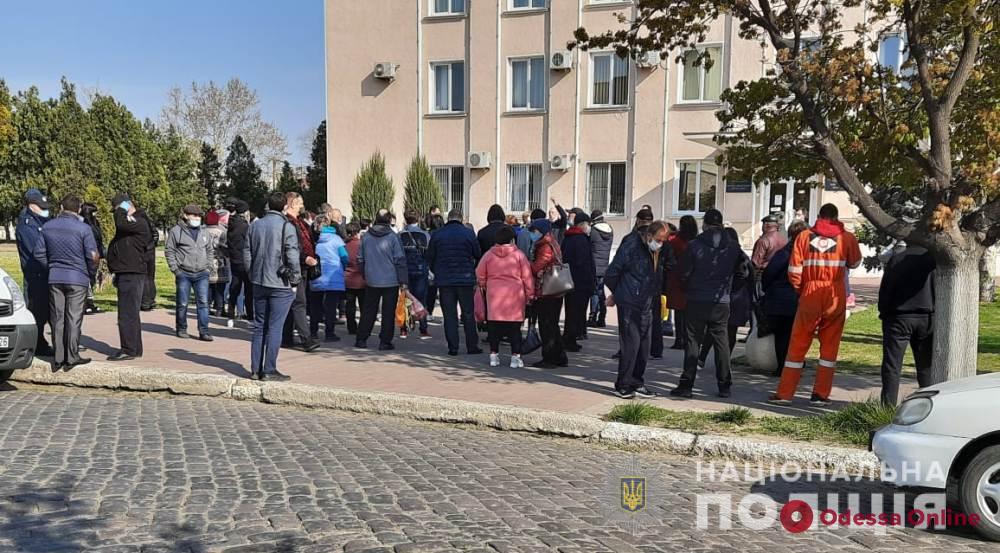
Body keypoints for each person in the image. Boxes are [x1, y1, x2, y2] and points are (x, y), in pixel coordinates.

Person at [769, 203, 862, 406]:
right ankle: (820, 394)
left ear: (819, 216)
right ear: (837, 217)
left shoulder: (803, 237)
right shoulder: (846, 238)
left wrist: (803, 291)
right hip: (834, 294)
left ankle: (785, 394)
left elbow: (794, 271)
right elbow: (854, 262)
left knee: (797, 344)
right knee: (829, 348)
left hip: (810, 293)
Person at [671, 209, 751, 399]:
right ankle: (724, 385)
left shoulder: (694, 245)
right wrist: (730, 288)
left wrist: (689, 287)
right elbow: (744, 272)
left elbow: (683, 272)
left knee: (693, 341)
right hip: (721, 300)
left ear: (704, 224)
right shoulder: (732, 247)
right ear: (721, 225)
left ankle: (687, 384)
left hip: (697, 299)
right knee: (721, 342)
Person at [605, 220, 672, 398]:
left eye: (664, 241)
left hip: (647, 302)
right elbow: (612, 273)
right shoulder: (632, 246)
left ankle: (636, 381)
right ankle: (623, 384)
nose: (661, 244)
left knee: (644, 345)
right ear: (649, 236)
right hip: (630, 302)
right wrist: (618, 295)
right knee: (630, 344)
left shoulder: (655, 251)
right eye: (659, 239)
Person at [33, 194, 98, 370]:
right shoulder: (83, 228)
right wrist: (90, 274)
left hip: (55, 277)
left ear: (61, 207)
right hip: (78, 277)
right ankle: (72, 356)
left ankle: (58, 356)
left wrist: (52, 267)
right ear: (78, 209)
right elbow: (93, 256)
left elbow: (38, 253)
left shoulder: (48, 227)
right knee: (74, 317)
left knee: (57, 318)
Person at [244, 191, 300, 381]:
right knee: (275, 327)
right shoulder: (287, 226)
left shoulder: (255, 225)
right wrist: (296, 278)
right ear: (285, 206)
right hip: (280, 282)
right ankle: (269, 369)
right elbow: (292, 255)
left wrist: (251, 272)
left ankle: (255, 368)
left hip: (259, 280)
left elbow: (247, 251)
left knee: (259, 326)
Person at [878, 242, 935, 406]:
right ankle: (927, 405)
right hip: (927, 316)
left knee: (892, 365)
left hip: (898, 317)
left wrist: (884, 312)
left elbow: (886, 289)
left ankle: (887, 407)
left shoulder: (897, 259)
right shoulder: (932, 259)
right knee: (925, 367)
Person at [476, 225, 533, 369]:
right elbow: (527, 277)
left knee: (494, 328)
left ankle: (493, 356)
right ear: (512, 239)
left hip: (494, 295)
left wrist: (484, 284)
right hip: (514, 295)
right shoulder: (519, 255)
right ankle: (515, 358)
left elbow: (480, 272)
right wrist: (530, 294)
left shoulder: (489, 255)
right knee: (515, 329)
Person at [426, 209, 482, 356]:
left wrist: (437, 271)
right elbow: (477, 254)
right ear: (461, 219)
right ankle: (472, 346)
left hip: (445, 280)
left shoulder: (438, 234)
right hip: (465, 279)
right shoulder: (468, 233)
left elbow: (430, 257)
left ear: (448, 218)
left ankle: (453, 347)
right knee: (468, 313)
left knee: (449, 314)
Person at [106, 192, 153, 361]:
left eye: (118, 209)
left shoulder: (138, 221)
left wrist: (122, 208)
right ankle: (134, 348)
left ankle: (129, 349)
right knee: (129, 313)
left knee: (127, 314)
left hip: (132, 273)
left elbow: (121, 223)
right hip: (127, 272)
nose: (116, 213)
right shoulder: (133, 222)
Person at [698, 227, 753, 367]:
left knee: (719, 329)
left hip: (732, 297)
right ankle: (720, 360)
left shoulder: (734, 256)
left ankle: (713, 358)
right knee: (724, 329)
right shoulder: (740, 255)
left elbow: (743, 276)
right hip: (737, 298)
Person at [355, 209, 408, 351]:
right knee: (388, 312)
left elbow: (360, 259)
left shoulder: (366, 237)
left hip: (372, 279)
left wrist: (365, 273)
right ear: (389, 220)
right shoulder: (393, 237)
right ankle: (385, 341)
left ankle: (361, 338)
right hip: (390, 280)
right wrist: (403, 280)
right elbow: (400, 260)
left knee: (368, 310)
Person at [762, 221, 809, 376]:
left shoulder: (784, 253)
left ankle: (782, 367)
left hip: (780, 300)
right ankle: (797, 364)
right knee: (798, 334)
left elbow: (769, 273)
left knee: (782, 335)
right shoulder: (810, 254)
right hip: (801, 299)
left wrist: (766, 289)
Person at [165, 204, 214, 342]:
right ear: (186, 215)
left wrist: (208, 267)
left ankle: (204, 331)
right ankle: (181, 328)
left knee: (203, 303)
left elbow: (210, 250)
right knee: (182, 303)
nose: (197, 218)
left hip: (202, 273)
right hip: (184, 273)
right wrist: (176, 269)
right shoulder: (176, 231)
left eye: (199, 216)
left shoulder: (205, 232)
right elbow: (169, 251)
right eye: (194, 215)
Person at [15, 188, 53, 355]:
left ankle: (43, 343)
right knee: (37, 311)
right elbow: (37, 250)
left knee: (48, 310)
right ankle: (37, 344)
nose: (45, 209)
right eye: (41, 206)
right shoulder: (27, 224)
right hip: (36, 274)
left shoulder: (42, 221)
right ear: (31, 205)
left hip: (46, 273)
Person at [281, 192, 320, 352]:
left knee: (293, 303)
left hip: (302, 267)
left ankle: (287, 337)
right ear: (292, 204)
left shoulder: (300, 222)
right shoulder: (287, 223)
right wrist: (305, 258)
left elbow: (307, 240)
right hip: (294, 267)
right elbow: (291, 247)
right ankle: (306, 339)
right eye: (299, 203)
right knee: (299, 302)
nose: (302, 206)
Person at [528, 219, 567, 369]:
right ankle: (559, 356)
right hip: (554, 290)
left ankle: (549, 358)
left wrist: (526, 264)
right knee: (553, 325)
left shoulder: (545, 246)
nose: (532, 234)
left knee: (547, 325)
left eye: (534, 231)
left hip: (547, 291)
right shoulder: (551, 242)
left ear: (541, 231)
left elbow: (537, 267)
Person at [560, 211, 596, 352]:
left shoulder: (568, 238)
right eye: (588, 224)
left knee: (571, 311)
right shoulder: (581, 239)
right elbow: (584, 263)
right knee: (577, 312)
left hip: (569, 280)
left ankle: (569, 338)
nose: (589, 227)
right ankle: (570, 339)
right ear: (583, 224)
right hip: (580, 282)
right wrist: (590, 281)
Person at [311, 215, 349, 342]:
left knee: (315, 306)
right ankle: (329, 332)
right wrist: (343, 268)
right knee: (331, 307)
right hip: (334, 276)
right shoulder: (336, 239)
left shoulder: (313, 239)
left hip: (316, 275)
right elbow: (344, 257)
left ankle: (313, 332)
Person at [665, 215, 697, 350]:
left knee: (679, 311)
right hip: (692, 279)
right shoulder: (696, 242)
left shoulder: (675, 242)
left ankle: (680, 339)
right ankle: (690, 339)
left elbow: (669, 260)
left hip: (677, 279)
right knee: (690, 312)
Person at [399, 210, 431, 339]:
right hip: (420, 270)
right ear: (418, 219)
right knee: (421, 299)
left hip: (405, 271)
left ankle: (404, 329)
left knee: (405, 299)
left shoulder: (400, 235)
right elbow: (429, 253)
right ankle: (423, 329)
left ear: (405, 219)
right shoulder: (425, 235)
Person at [226, 199, 253, 321]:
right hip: (244, 259)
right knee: (248, 288)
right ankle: (250, 314)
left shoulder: (231, 223)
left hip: (234, 258)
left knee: (235, 287)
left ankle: (231, 312)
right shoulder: (244, 226)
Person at [587, 209, 614, 329]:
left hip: (594, 266)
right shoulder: (610, 229)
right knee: (600, 291)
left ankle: (592, 317)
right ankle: (602, 317)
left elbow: (588, 247)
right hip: (605, 266)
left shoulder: (593, 231)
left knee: (594, 292)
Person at [79, 202, 106, 315]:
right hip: (85, 255)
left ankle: (90, 302)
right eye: (93, 212)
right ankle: (84, 304)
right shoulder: (83, 224)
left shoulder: (95, 224)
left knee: (91, 279)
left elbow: (99, 239)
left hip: (96, 255)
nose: (96, 215)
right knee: (86, 280)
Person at [205, 209, 231, 317]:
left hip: (206, 261)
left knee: (208, 286)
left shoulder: (203, 231)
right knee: (220, 287)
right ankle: (220, 309)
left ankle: (206, 307)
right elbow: (227, 247)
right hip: (221, 261)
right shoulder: (223, 232)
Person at [343, 222, 366, 335]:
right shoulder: (362, 245)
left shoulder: (344, 246)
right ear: (357, 232)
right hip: (362, 279)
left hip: (348, 279)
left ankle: (351, 327)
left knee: (350, 305)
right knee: (363, 306)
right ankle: (363, 326)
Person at [138, 201, 160, 312]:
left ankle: (146, 301)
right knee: (150, 277)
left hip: (144, 252)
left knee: (145, 277)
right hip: (150, 251)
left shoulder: (139, 221)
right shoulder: (147, 220)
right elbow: (156, 235)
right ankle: (150, 300)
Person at [424, 214, 446, 321]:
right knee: (444, 292)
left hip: (433, 266)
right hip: (444, 266)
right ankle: (445, 314)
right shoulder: (445, 234)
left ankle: (429, 311)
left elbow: (429, 253)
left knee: (431, 291)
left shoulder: (429, 234)